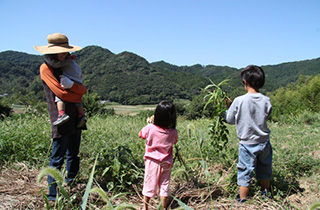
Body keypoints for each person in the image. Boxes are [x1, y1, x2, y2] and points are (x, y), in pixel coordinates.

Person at [34, 33, 87, 201]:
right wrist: (76, 92)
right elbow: (60, 92)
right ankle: (52, 194)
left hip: (75, 115)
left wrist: (76, 91)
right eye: (61, 51)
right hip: (60, 116)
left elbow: (83, 90)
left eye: (66, 50)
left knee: (73, 152)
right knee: (57, 157)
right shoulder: (46, 68)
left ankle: (71, 182)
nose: (64, 53)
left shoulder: (67, 65)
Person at [225, 65, 273, 203]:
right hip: (264, 141)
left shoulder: (239, 101)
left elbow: (229, 119)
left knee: (245, 170)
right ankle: (266, 193)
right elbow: (267, 115)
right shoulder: (266, 100)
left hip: (247, 143)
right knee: (265, 168)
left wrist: (228, 108)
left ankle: (243, 198)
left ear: (245, 82)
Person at [139, 101, 178, 210]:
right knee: (164, 187)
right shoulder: (173, 132)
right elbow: (174, 142)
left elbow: (141, 135)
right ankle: (164, 208)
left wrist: (149, 124)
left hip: (152, 162)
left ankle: (145, 207)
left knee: (149, 186)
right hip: (166, 163)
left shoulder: (150, 128)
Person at [44, 53, 87, 128]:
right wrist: (77, 93)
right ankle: (81, 115)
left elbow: (61, 94)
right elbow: (82, 91)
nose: (63, 55)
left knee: (59, 98)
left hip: (72, 121)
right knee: (78, 101)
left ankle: (61, 114)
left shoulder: (65, 63)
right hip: (78, 82)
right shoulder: (45, 68)